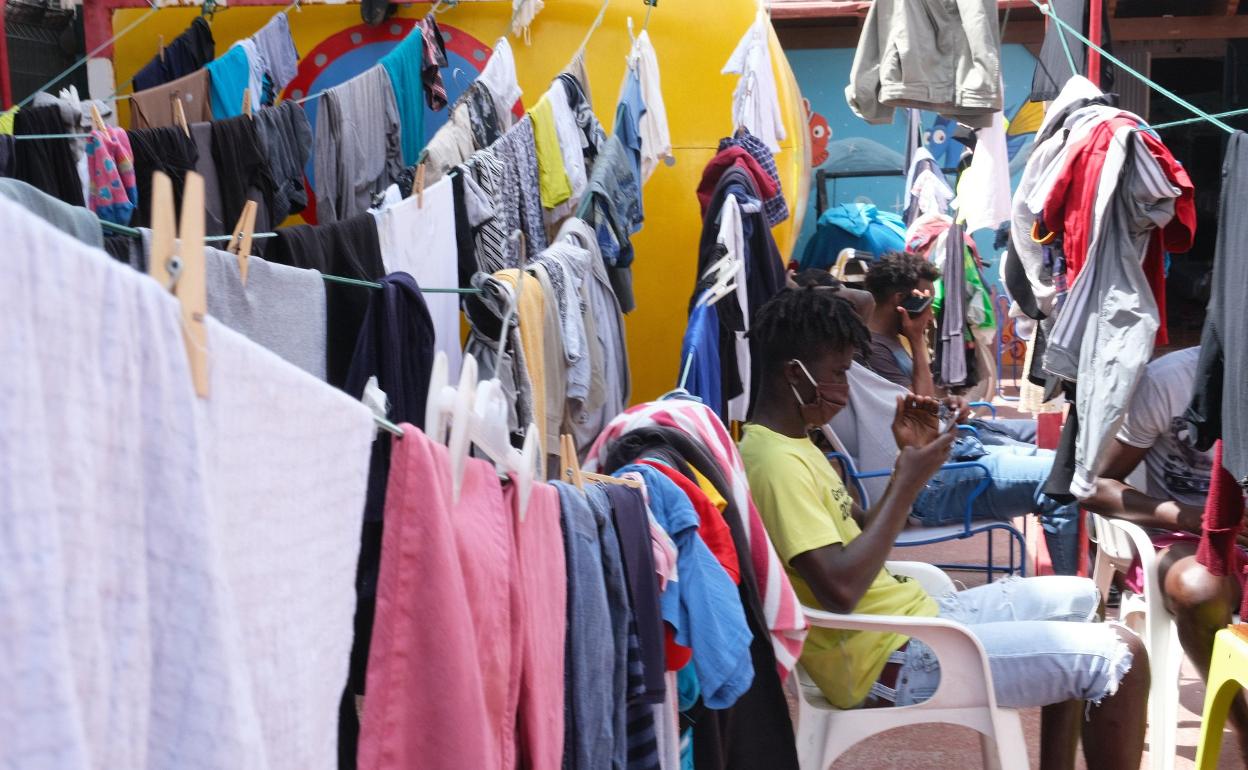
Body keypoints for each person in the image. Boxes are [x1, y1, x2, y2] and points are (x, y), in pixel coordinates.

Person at [739, 286, 1149, 770]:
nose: (846, 389)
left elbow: (862, 532)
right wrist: (908, 480)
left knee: (1083, 599)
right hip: (888, 660)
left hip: (915, 622)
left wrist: (910, 466)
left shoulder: (796, 443)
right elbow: (840, 590)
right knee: (1124, 655)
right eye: (839, 373)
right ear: (795, 373)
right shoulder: (775, 464)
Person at [793, 266, 1082, 575]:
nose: (931, 307)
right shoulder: (852, 359)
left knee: (1068, 464)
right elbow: (919, 412)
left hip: (948, 454)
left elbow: (924, 407)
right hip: (929, 480)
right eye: (923, 297)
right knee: (1062, 479)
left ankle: (1078, 581)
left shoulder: (864, 353)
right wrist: (918, 339)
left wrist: (945, 404)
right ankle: (1071, 587)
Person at [1082, 346, 1248, 763]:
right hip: (1184, 539)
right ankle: (1245, 725)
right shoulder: (1170, 381)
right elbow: (1097, 487)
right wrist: (1189, 515)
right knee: (1199, 589)